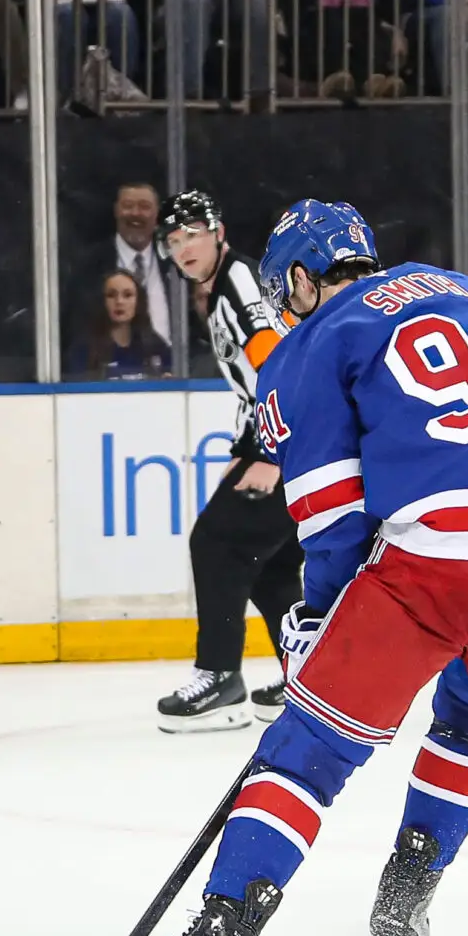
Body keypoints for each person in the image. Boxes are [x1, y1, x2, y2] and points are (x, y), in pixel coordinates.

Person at [115, 201, 468, 936]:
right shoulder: (456, 283)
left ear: (304, 278)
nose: (283, 306)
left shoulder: (306, 347)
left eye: (285, 290)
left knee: (308, 744)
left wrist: (316, 621)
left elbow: (335, 521)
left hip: (449, 561)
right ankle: (407, 890)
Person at [156, 189, 301, 730]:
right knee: (271, 568)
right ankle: (306, 675)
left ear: (218, 233)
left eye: (192, 233)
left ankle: (219, 676)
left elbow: (277, 363)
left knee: (215, 543)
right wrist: (248, 449)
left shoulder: (239, 281)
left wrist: (269, 452)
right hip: (286, 440)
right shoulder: (222, 289)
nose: (184, 247)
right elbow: (255, 384)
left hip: (293, 444)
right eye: (173, 240)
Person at [86, 182, 178, 347]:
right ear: (116, 211)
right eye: (128, 206)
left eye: (145, 207)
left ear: (157, 214)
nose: (135, 213)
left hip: (175, 369)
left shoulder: (176, 261)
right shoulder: (89, 265)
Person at [70, 269, 176, 379]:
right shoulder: (85, 349)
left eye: (128, 295)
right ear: (102, 301)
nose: (119, 301)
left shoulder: (155, 346)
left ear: (138, 302)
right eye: (111, 295)